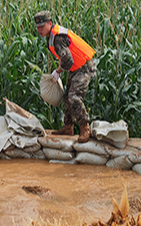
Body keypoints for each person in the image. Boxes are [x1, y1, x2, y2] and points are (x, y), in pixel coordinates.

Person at [34, 11, 96, 143]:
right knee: (67, 96)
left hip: (84, 66)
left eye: (42, 26)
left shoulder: (57, 38)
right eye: (37, 27)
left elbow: (68, 61)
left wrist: (58, 71)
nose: (39, 29)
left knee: (74, 97)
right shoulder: (51, 36)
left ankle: (85, 127)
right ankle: (68, 127)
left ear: (49, 24)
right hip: (76, 67)